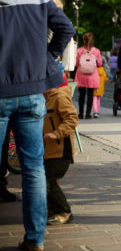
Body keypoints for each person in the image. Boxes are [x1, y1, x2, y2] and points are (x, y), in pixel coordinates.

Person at [0, 0, 75, 251]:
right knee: (33, 168)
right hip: (33, 92)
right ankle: (35, 238)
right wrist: (47, 58)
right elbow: (65, 27)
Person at [26, 0, 77, 75]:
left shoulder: (43, 11)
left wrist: (49, 55)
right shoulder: (55, 9)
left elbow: (67, 30)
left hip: (44, 65)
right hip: (51, 64)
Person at [43, 80, 78, 225]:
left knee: (48, 182)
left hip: (60, 150)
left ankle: (64, 211)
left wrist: (57, 134)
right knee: (48, 181)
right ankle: (52, 212)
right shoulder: (44, 99)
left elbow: (72, 119)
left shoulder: (59, 97)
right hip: (48, 151)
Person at [74, 32, 103, 120]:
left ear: (84, 40)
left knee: (81, 94)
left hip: (81, 75)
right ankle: (88, 114)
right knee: (90, 94)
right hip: (92, 75)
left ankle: (81, 113)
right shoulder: (96, 51)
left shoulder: (79, 50)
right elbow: (100, 64)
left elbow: (76, 64)